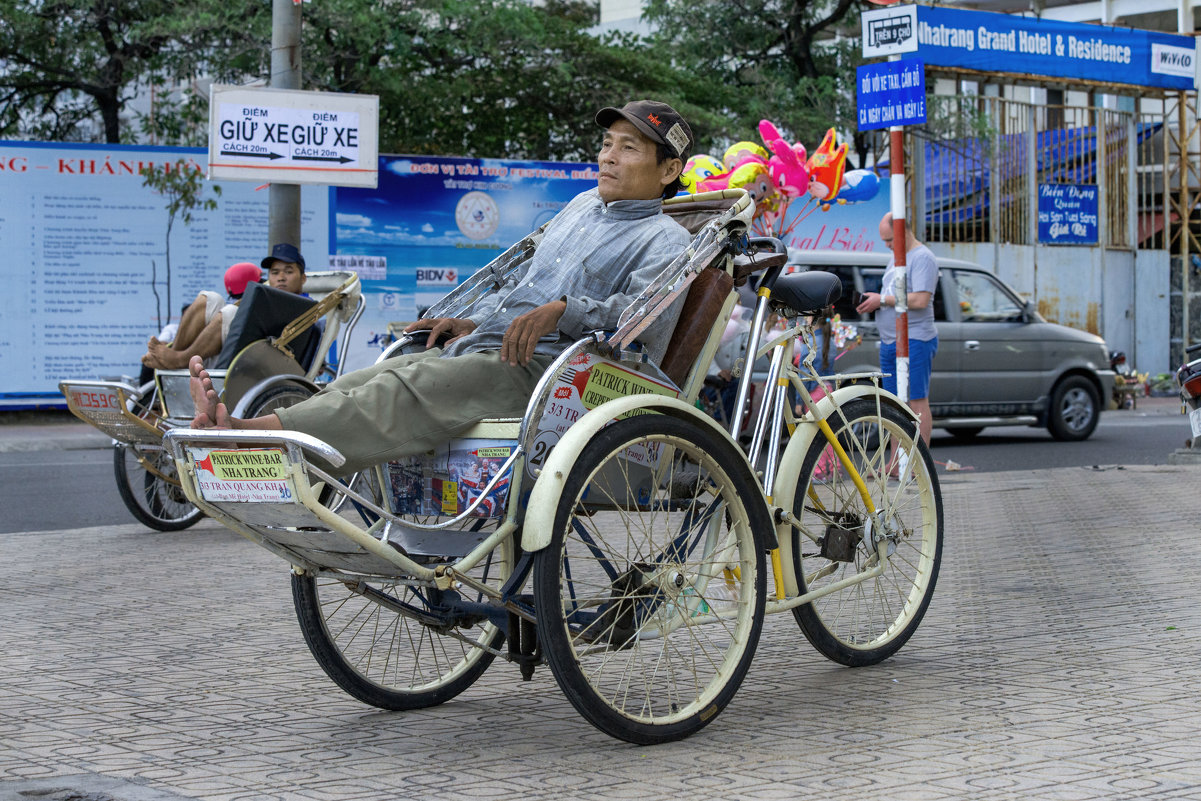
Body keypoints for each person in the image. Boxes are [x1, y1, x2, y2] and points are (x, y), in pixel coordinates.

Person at [189, 99, 696, 476]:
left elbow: (640, 322)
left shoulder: (667, 240)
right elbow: (525, 285)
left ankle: (255, 437)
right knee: (377, 373)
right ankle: (253, 427)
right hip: (501, 348)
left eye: (629, 148)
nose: (608, 156)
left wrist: (563, 310)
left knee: (402, 389)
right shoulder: (580, 207)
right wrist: (474, 321)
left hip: (562, 377)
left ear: (669, 170)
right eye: (607, 144)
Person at [855, 212, 939, 444]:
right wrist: (876, 301)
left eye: (890, 240)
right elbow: (893, 294)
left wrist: (882, 300)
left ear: (903, 232)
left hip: (915, 338)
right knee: (893, 403)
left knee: (917, 400)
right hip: (891, 339)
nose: (887, 245)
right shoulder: (896, 257)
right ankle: (895, 464)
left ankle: (918, 464)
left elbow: (921, 300)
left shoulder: (923, 257)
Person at [141, 261, 263, 371]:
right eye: (275, 272)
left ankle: (179, 360)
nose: (281, 278)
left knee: (231, 312)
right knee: (210, 298)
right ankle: (172, 357)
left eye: (283, 272)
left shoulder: (270, 300)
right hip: (219, 360)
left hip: (248, 363)